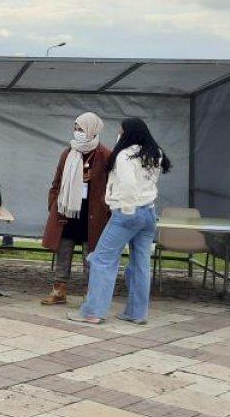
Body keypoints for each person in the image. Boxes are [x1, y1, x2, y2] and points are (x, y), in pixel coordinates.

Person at [69, 117, 171, 325]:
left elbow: (129, 185)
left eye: (121, 131)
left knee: (101, 260)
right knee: (140, 264)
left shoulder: (124, 156)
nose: (119, 134)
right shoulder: (156, 153)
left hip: (127, 213)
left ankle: (93, 312)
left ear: (128, 133)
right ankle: (137, 313)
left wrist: (126, 210)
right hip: (149, 213)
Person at [40, 113, 111, 306]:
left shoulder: (105, 155)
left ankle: (91, 294)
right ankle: (59, 291)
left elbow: (111, 185)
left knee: (91, 256)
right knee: (63, 251)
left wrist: (107, 210)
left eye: (82, 129)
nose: (78, 133)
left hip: (93, 214)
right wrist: (54, 204)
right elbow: (57, 181)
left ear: (92, 130)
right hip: (68, 211)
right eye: (76, 128)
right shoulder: (68, 152)